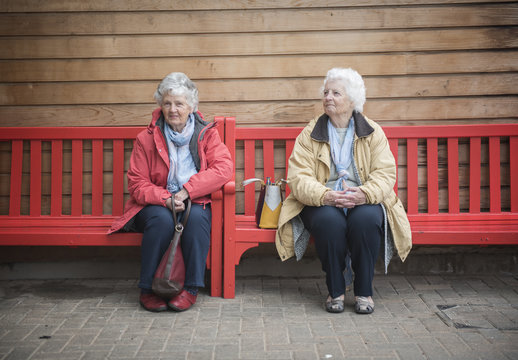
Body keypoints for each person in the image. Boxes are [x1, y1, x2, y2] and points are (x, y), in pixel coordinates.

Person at [275, 68, 411, 314]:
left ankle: (363, 291)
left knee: (367, 219)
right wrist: (325, 195)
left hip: (363, 198)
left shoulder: (372, 131)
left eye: (336, 93)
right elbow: (298, 177)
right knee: (329, 221)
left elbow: (385, 174)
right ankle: (335, 289)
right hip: (321, 200)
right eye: (326, 92)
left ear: (353, 100)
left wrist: (364, 194)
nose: (328, 97)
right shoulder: (310, 133)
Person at [109, 72, 232, 312]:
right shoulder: (146, 138)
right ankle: (147, 288)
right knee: (161, 220)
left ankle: (191, 288)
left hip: (194, 200)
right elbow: (136, 183)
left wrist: (187, 191)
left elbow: (223, 169)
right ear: (160, 105)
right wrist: (165, 199)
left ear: (191, 106)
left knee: (196, 218)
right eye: (167, 103)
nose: (173, 109)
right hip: (155, 203)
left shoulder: (206, 133)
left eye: (179, 103)